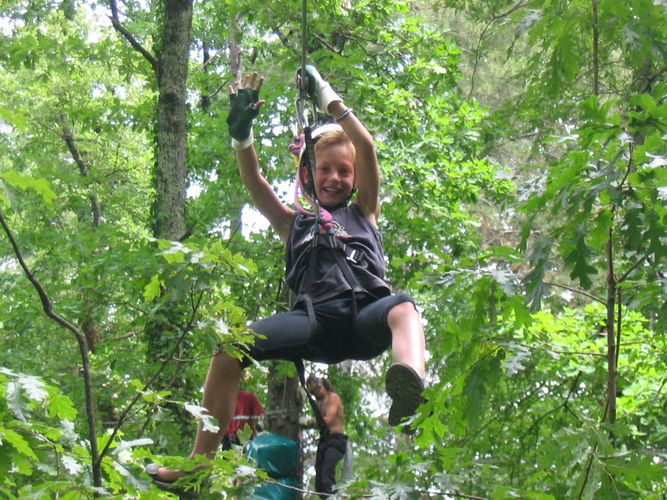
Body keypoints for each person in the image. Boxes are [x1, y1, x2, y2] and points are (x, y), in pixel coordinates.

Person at [146, 66, 425, 485]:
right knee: (228, 350)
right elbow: (254, 182)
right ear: (308, 174)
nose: (334, 177)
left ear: (354, 180)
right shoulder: (293, 222)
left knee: (403, 306)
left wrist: (328, 97)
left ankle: (410, 387)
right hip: (314, 323)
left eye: (343, 172)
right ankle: (197, 468)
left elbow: (365, 147)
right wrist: (242, 136)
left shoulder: (364, 211)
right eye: (325, 169)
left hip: (367, 316)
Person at [305, 375, 347, 497]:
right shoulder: (320, 404)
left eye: (315, 391)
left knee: (326, 476)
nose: (315, 394)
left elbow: (328, 420)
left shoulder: (333, 398)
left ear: (321, 386)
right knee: (319, 484)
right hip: (325, 441)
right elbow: (320, 424)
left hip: (336, 441)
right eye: (312, 393)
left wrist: (309, 421)